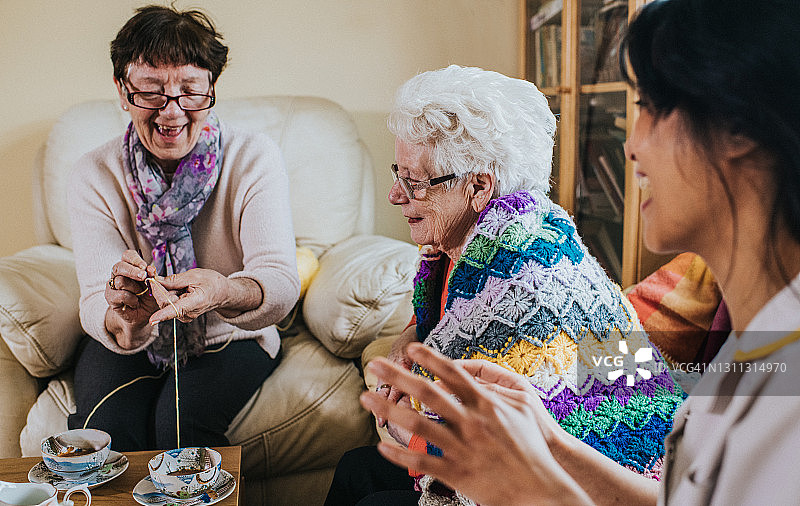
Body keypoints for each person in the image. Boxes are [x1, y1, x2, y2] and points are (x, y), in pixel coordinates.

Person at [360, 0, 800, 504]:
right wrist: (547, 441)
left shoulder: (782, 390)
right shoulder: (758, 351)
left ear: (738, 125)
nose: (630, 145)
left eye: (651, 106)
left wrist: (542, 477)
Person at [326, 65, 683, 505]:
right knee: (353, 469)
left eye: (414, 183)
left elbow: (497, 460)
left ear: (478, 186)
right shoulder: (461, 250)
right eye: (398, 174)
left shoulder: (526, 279)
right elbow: (440, 322)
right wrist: (409, 338)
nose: (395, 195)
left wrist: (406, 429)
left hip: (584, 486)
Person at [66, 5, 300, 451]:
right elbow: (96, 296)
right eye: (151, 91)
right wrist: (126, 317)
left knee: (179, 433)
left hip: (229, 334)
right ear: (122, 90)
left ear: (212, 88)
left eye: (190, 91)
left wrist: (224, 291)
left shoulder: (254, 157)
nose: (172, 113)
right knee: (101, 440)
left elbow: (280, 281)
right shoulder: (93, 173)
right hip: (133, 339)